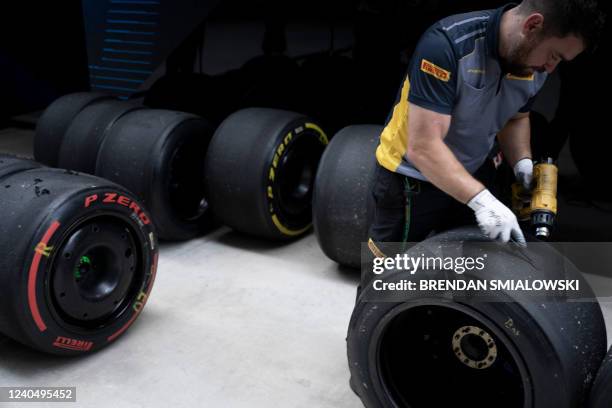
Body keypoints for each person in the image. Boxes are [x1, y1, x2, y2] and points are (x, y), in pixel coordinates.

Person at [367, 0, 605, 257]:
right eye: (554, 55)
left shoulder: (532, 62)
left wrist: (521, 163)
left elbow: (516, 117)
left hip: (472, 174)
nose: (551, 68)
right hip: (411, 182)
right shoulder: (448, 45)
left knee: (464, 276)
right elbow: (423, 146)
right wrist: (483, 201)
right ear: (532, 25)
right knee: (386, 282)